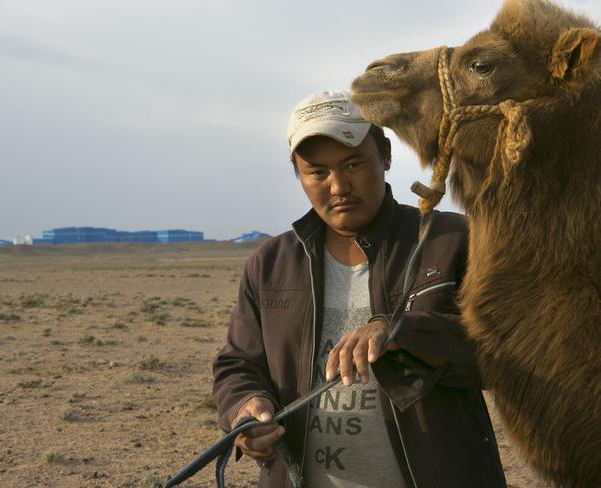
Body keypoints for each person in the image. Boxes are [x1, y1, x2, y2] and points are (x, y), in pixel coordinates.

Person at [212, 90, 506, 487]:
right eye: (317, 172)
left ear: (385, 155)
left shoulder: (450, 240)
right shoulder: (270, 263)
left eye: (353, 163)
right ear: (298, 174)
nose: (338, 186)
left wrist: (400, 330)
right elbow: (238, 366)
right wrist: (245, 411)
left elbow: (502, 356)